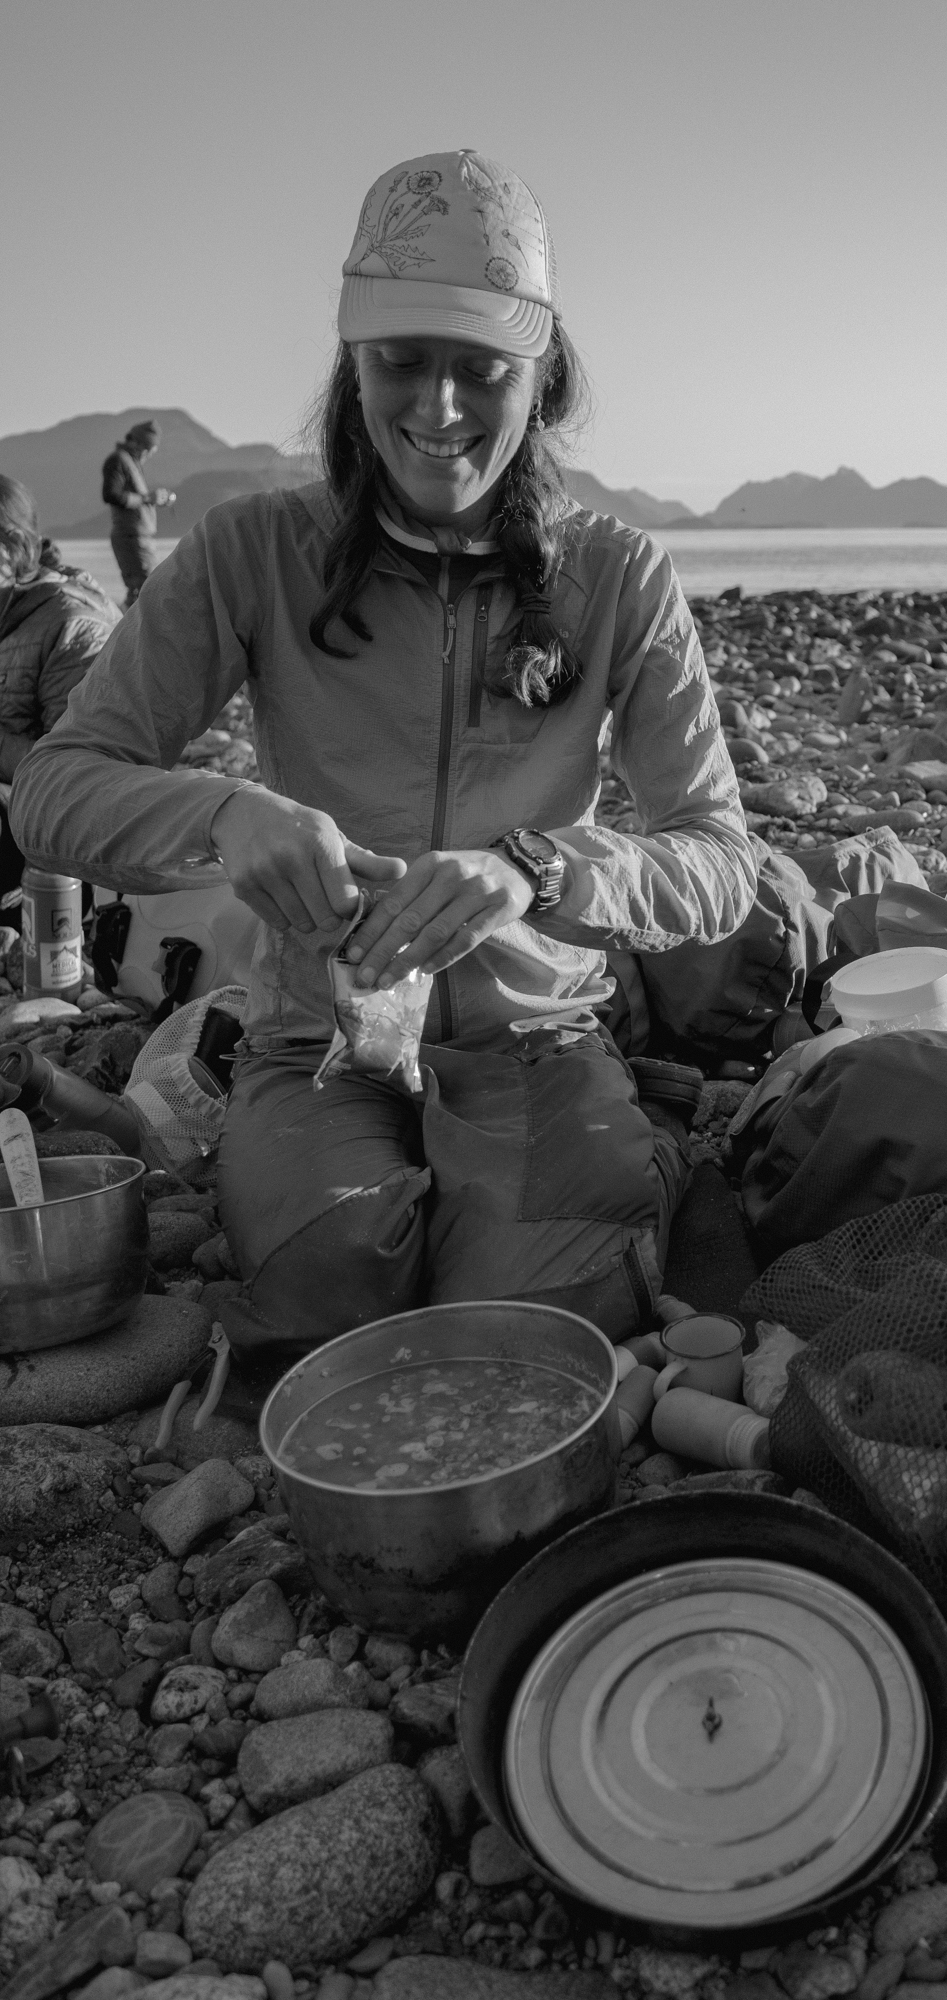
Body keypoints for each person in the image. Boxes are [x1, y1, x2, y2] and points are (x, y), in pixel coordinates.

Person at [13, 150, 756, 1353]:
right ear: (349, 364)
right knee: (329, 1297)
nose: (440, 409)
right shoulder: (250, 551)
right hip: (316, 1038)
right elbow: (52, 790)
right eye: (402, 361)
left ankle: (595, 1159)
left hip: (535, 1033)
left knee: (533, 1322)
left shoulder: (617, 575)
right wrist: (226, 816)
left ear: (544, 373)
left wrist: (538, 867)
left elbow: (718, 858)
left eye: (482, 370)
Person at [0, 477, 119, 898]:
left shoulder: (72, 625)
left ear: (13, 547)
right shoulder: (7, 606)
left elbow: (73, 776)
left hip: (53, 856)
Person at [101, 419, 175, 605]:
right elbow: (111, 495)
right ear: (136, 443)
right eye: (147, 450)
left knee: (143, 589)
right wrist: (147, 498)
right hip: (130, 538)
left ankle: (130, 628)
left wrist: (152, 500)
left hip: (140, 538)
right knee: (146, 589)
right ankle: (134, 631)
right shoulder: (117, 460)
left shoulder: (131, 462)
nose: (148, 455)